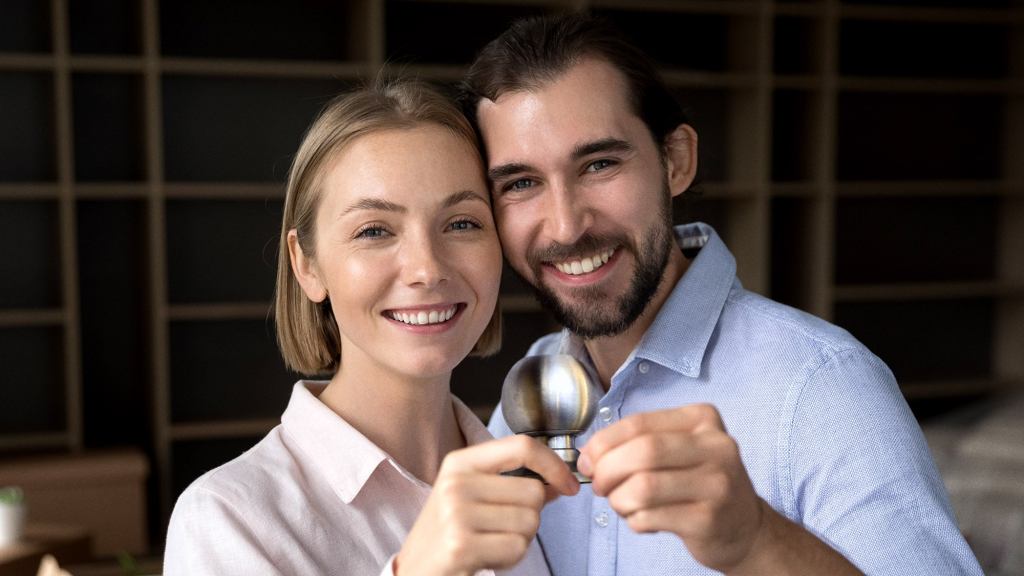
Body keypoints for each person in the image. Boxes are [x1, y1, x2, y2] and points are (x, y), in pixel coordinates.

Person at [460, 13, 983, 576]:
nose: (565, 226)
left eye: (600, 164)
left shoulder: (823, 385)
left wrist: (756, 541)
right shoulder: (533, 388)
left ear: (675, 160)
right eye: (520, 184)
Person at [163, 79, 579, 575]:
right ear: (307, 265)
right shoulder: (229, 519)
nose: (427, 268)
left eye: (462, 223)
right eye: (374, 231)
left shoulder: (535, 485)